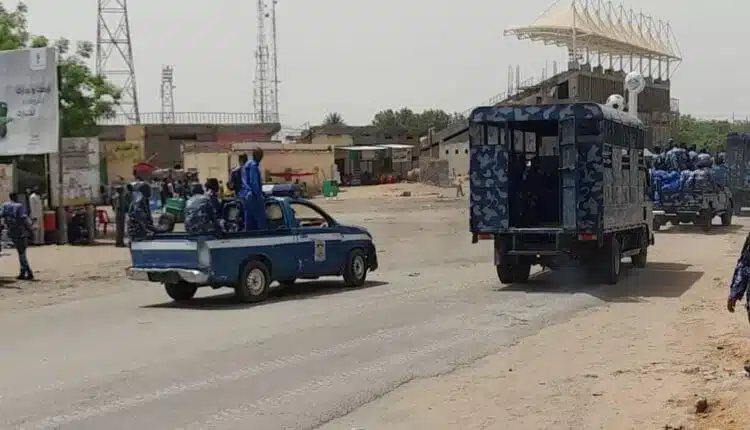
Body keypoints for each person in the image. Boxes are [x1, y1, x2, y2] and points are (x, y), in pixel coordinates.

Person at [0, 193, 33, 280]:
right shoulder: (19, 206)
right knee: (22, 252)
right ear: (16, 197)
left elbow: (1, 215)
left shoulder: (5, 205)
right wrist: (30, 229)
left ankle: (25, 272)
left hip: (12, 231)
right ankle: (27, 272)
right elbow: (23, 218)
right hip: (20, 231)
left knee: (20, 252)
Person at [240, 147, 268, 230]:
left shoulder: (247, 164)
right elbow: (254, 183)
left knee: (249, 224)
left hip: (246, 196)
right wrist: (260, 197)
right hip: (253, 197)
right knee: (261, 224)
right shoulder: (253, 166)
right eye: (261, 155)